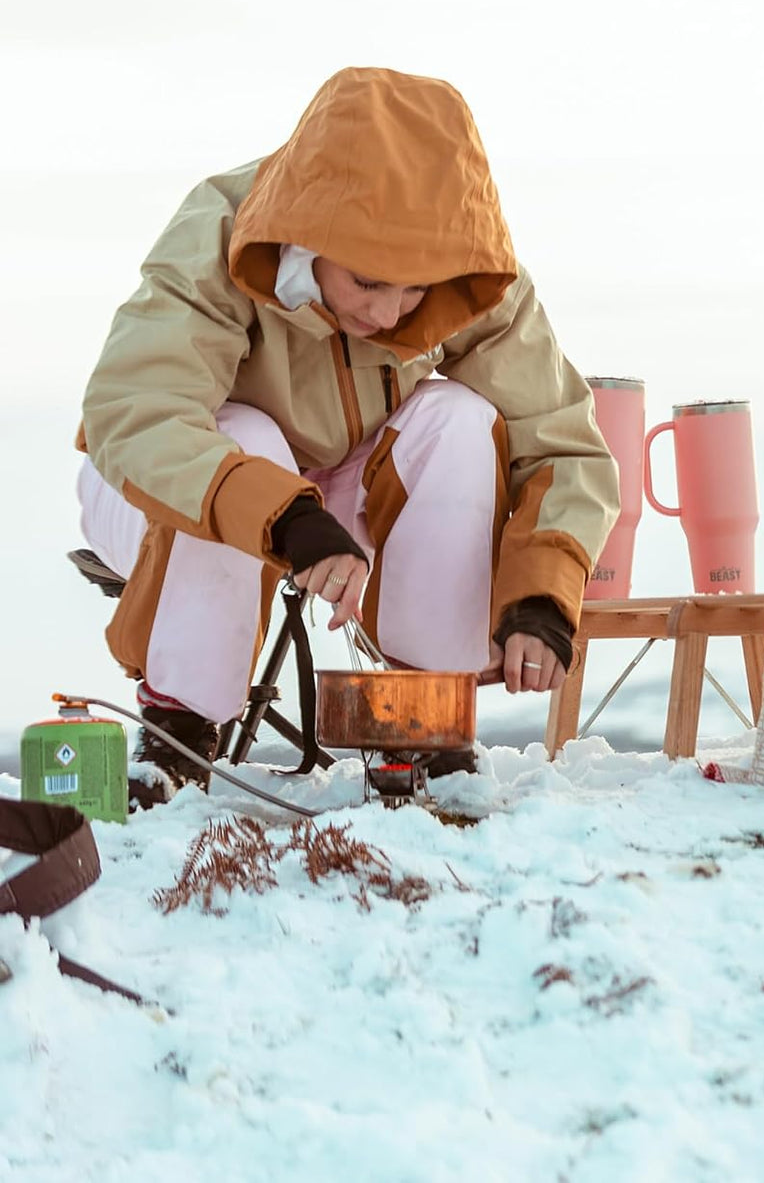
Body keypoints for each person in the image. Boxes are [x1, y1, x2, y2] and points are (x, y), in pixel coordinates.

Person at [76, 67, 620, 807]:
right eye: (367, 282)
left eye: (414, 290)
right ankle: (180, 724)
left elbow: (557, 441)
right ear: (311, 234)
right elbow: (138, 411)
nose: (392, 313)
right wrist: (287, 515)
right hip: (158, 494)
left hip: (343, 492)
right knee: (249, 434)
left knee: (460, 417)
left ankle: (422, 718)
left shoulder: (464, 265)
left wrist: (541, 597)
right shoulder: (221, 229)